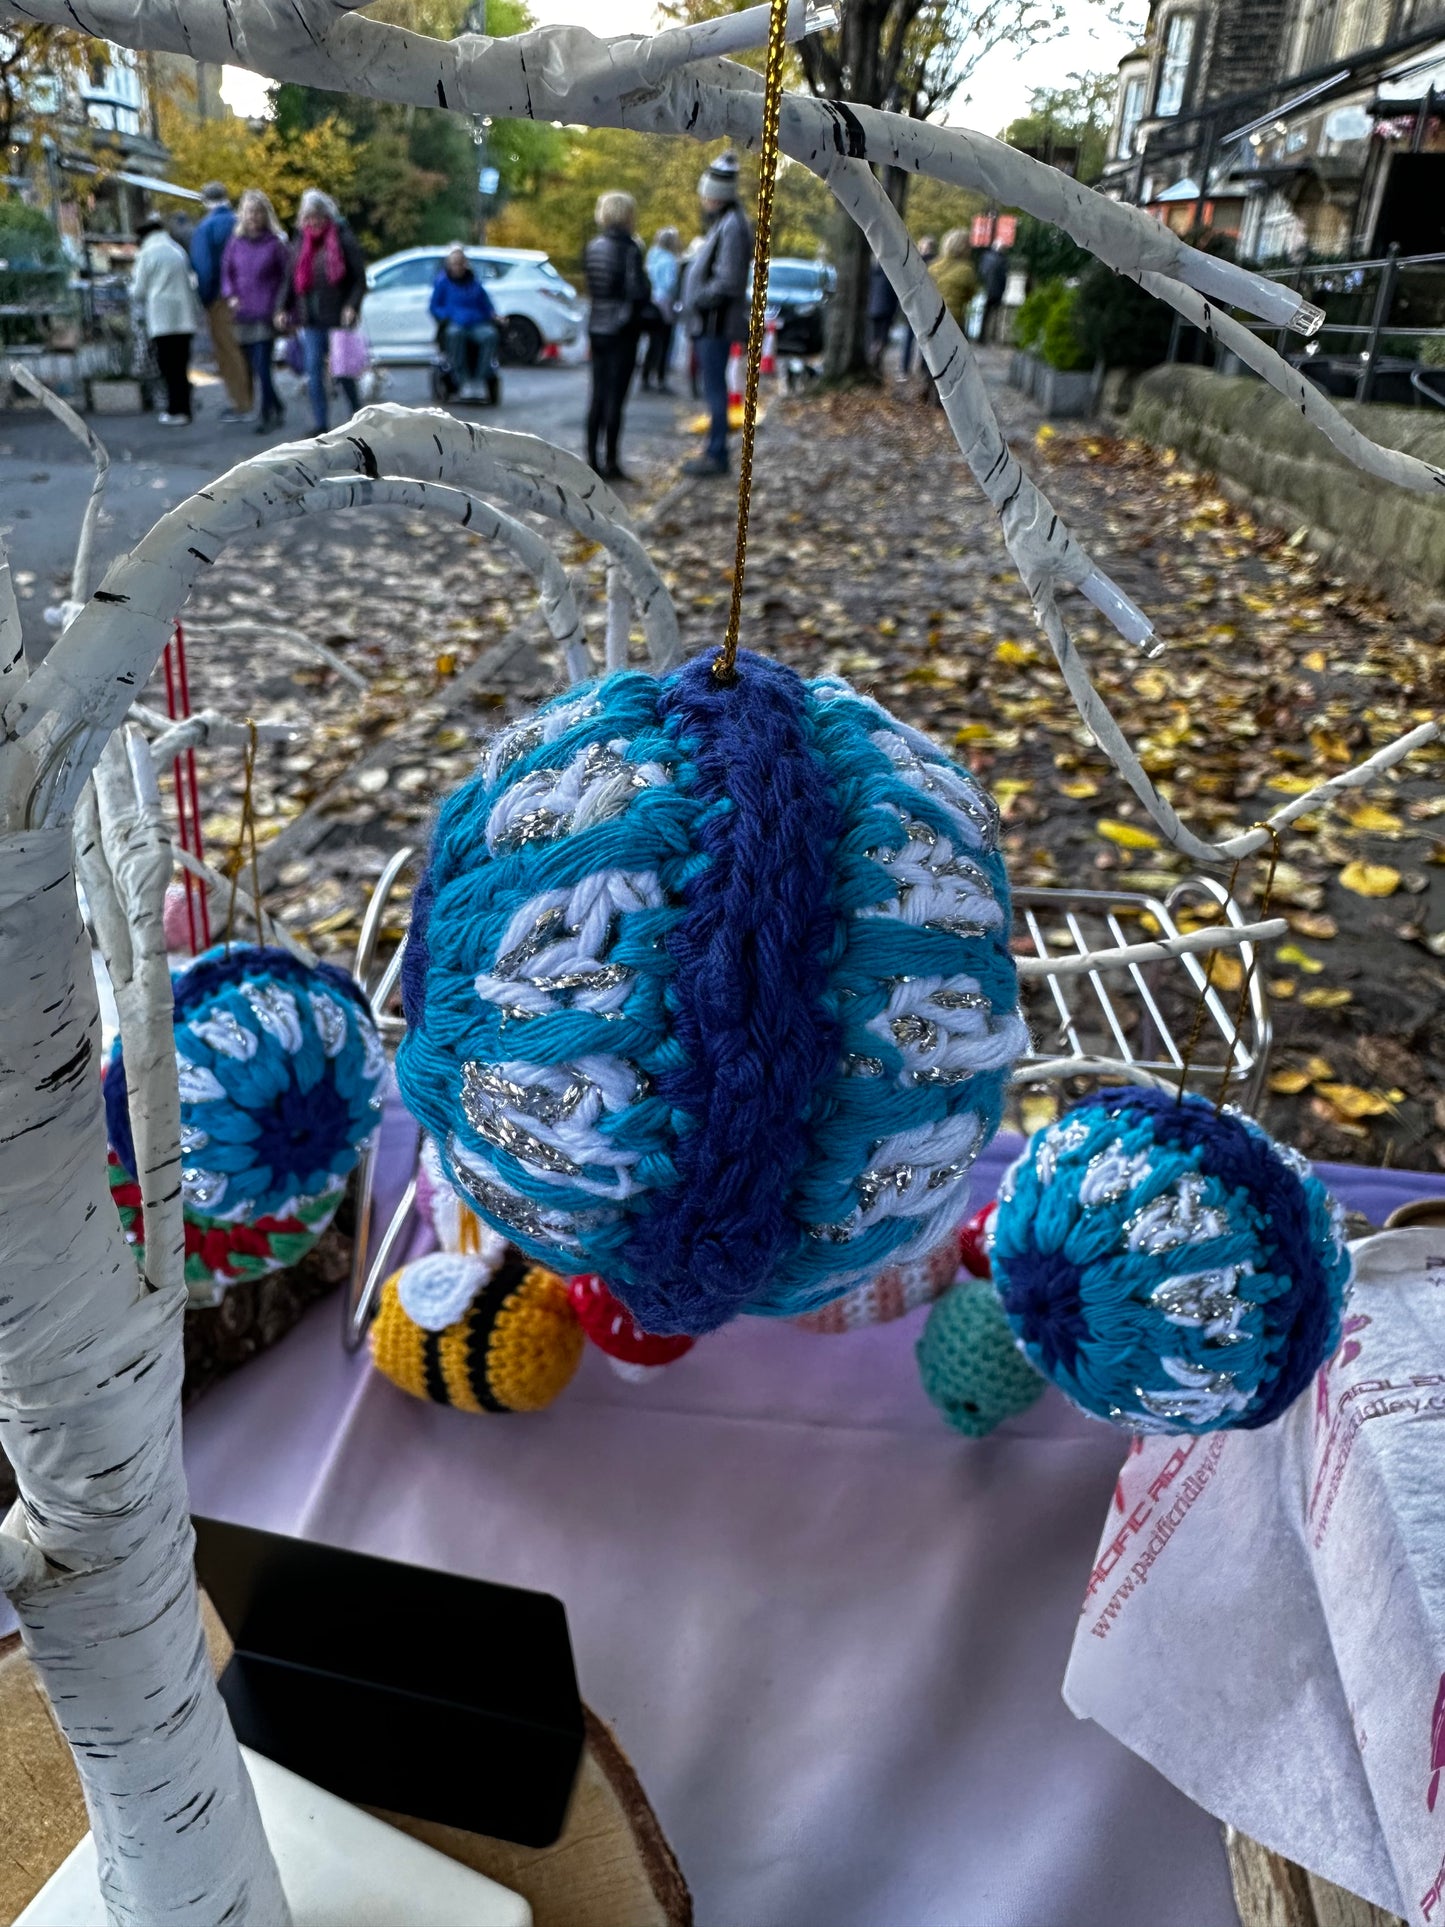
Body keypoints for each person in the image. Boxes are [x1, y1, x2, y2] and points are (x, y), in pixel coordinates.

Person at [680, 151, 752, 478]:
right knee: (713, 389)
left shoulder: (732, 226)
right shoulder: (727, 223)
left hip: (714, 323)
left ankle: (717, 453)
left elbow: (728, 282)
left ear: (715, 195)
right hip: (710, 322)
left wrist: (697, 298)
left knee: (715, 391)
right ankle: (714, 448)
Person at [277, 188, 367, 435]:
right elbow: (289, 279)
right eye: (308, 217)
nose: (313, 221)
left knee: (344, 371)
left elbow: (359, 280)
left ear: (327, 216)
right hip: (311, 318)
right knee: (314, 371)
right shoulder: (300, 242)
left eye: (317, 216)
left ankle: (358, 414)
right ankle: (321, 425)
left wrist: (352, 306)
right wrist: (283, 308)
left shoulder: (343, 239)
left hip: (338, 316)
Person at [582, 191, 648, 481]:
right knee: (615, 399)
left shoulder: (592, 246)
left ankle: (591, 460)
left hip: (597, 326)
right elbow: (637, 291)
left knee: (597, 395)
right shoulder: (630, 249)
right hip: (623, 330)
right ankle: (611, 461)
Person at [222, 189, 290, 432]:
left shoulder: (275, 244)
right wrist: (230, 296)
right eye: (250, 212)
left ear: (265, 215)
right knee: (252, 366)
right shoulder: (235, 243)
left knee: (263, 367)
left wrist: (282, 307)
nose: (254, 217)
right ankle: (278, 406)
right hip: (242, 315)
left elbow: (287, 278)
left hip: (266, 313)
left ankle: (267, 415)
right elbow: (227, 273)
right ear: (243, 214)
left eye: (258, 212)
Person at [131, 215, 202, 425]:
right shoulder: (176, 250)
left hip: (162, 319)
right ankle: (185, 408)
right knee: (181, 367)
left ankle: (175, 410)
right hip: (184, 318)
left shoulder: (147, 253)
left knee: (168, 368)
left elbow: (138, 289)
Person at [190, 183, 251, 422]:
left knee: (228, 351)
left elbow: (204, 267)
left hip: (220, 297)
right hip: (250, 297)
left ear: (205, 201)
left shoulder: (206, 228)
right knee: (247, 350)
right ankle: (255, 399)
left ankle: (241, 404)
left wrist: (205, 299)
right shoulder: (240, 221)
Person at [428, 246, 498, 392]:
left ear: (465, 264)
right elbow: (434, 306)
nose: (458, 267)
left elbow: (485, 305)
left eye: (461, 263)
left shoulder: (474, 283)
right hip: (455, 323)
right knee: (455, 334)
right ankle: (462, 379)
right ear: (449, 265)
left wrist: (493, 315)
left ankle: (480, 378)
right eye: (454, 263)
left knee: (490, 335)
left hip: (475, 324)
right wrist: (445, 316)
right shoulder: (443, 283)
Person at [922, 228, 980, 403]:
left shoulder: (933, 267)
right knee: (952, 360)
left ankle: (928, 385)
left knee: (931, 355)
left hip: (930, 318)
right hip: (953, 319)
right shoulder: (967, 271)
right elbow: (971, 294)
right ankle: (945, 398)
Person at [641, 226, 681, 392]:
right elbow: (670, 284)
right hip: (665, 303)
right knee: (665, 342)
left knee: (652, 342)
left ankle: (646, 375)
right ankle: (661, 377)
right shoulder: (670, 260)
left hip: (652, 300)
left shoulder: (652, 257)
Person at [899, 234, 936, 378]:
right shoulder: (936, 264)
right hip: (926, 307)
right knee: (925, 341)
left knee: (909, 339)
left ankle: (905, 367)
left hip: (914, 306)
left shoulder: (914, 262)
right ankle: (922, 368)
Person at [867, 255, 899, 373]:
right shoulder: (890, 274)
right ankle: (876, 359)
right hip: (886, 310)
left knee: (874, 337)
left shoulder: (873, 271)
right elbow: (894, 296)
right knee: (882, 339)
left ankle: (874, 358)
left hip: (873, 309)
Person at [978, 242, 1009, 344]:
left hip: (986, 290)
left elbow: (982, 272)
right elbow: (1004, 279)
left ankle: (981, 337)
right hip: (997, 292)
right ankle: (991, 338)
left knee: (984, 315)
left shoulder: (986, 257)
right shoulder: (1002, 261)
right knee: (994, 316)